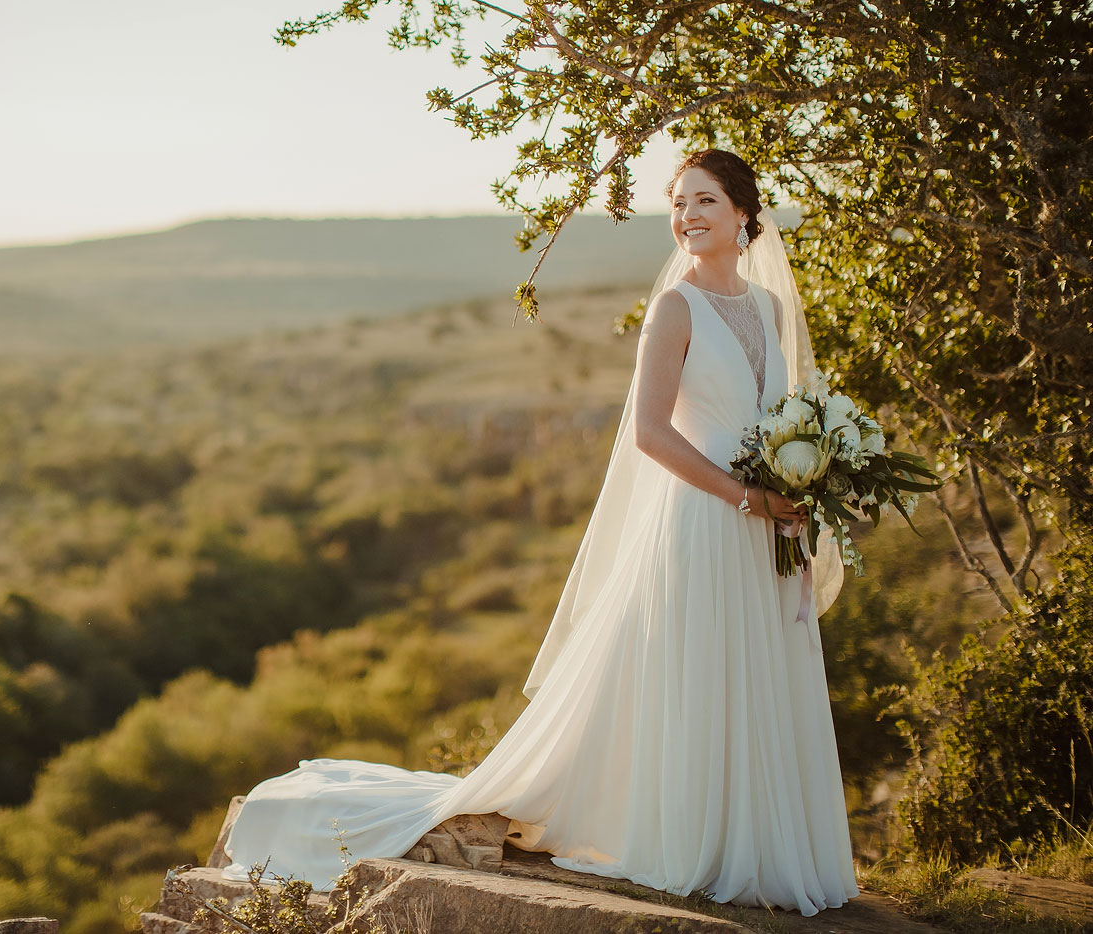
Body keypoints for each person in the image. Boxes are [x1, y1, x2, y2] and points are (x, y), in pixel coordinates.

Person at [220, 149, 860, 916]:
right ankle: (699, 840)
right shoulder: (676, 308)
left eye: (705, 202)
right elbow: (652, 435)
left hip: (763, 526)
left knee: (752, 671)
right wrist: (745, 498)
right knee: (700, 672)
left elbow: (782, 418)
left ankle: (755, 839)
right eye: (679, 202)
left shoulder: (768, 307)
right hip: (700, 518)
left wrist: (797, 486)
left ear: (744, 214)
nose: (687, 216)